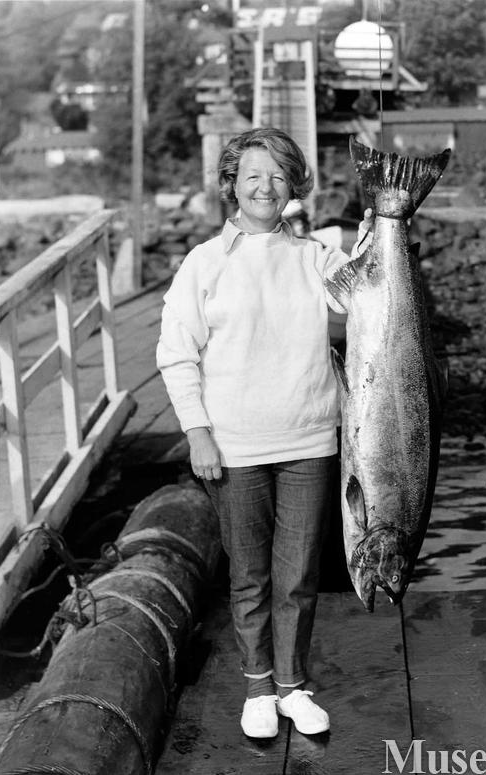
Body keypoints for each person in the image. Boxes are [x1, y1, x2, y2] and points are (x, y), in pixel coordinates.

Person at [157, 127, 373, 739]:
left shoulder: (316, 257)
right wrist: (198, 432)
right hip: (234, 444)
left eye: (279, 175)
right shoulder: (203, 262)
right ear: (232, 184)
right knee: (249, 575)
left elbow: (363, 298)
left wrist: (377, 237)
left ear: (294, 186)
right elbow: (176, 354)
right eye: (253, 175)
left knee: (298, 575)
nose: (265, 186)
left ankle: (292, 687)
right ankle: (257, 687)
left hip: (311, 440)